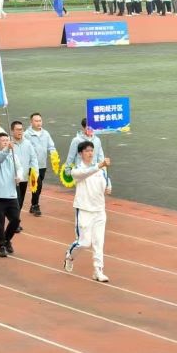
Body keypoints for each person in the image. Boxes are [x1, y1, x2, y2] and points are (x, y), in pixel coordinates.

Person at [63, 141, 112, 282]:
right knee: (84, 242)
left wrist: (108, 187)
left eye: (92, 150)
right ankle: (69, 255)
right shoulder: (77, 170)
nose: (90, 153)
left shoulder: (101, 171)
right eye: (87, 151)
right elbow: (87, 173)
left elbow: (106, 182)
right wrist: (100, 165)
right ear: (80, 154)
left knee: (98, 242)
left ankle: (98, 270)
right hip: (84, 210)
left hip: (99, 210)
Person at [0, 132, 22, 257]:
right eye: (3, 140)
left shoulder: (13, 155)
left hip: (11, 195)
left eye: (7, 140)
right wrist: (7, 149)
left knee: (16, 219)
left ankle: (7, 239)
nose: (6, 142)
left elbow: (19, 168)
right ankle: (1, 245)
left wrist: (19, 176)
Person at [25, 113, 57, 217]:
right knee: (37, 184)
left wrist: (53, 154)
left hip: (42, 164)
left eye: (40, 121)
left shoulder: (46, 133)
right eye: (36, 121)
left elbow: (51, 146)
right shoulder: (27, 135)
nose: (38, 123)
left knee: (39, 185)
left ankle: (33, 204)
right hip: (32, 166)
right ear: (31, 122)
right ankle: (35, 205)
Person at [9, 121, 36, 232]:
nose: (20, 132)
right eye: (18, 129)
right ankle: (14, 223)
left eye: (21, 129)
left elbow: (33, 158)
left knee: (20, 202)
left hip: (23, 178)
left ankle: (14, 221)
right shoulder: (9, 144)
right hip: (11, 179)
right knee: (15, 202)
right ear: (12, 131)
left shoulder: (28, 144)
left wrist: (35, 173)